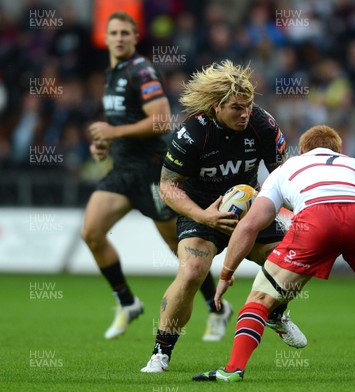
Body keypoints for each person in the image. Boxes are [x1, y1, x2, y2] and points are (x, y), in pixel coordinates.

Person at [193, 124, 355, 382]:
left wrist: (226, 274)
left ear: (303, 150)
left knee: (260, 297)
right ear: (338, 151)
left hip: (314, 222)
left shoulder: (287, 168)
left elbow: (250, 225)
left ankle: (233, 369)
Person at [140, 60, 307, 373]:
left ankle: (276, 311)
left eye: (248, 106)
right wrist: (203, 216)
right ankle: (161, 353)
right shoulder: (191, 134)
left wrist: (294, 210)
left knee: (293, 260)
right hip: (202, 211)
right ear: (216, 107)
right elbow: (168, 187)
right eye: (236, 108)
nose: (244, 114)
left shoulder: (263, 125)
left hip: (250, 212)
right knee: (192, 272)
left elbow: (283, 176)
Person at [81, 11, 227, 341]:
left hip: (152, 170)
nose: (118, 38)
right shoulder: (112, 73)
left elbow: (161, 122)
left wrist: (114, 132)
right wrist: (104, 145)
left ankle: (218, 309)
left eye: (125, 33)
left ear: (135, 38)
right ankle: (127, 301)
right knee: (91, 231)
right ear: (106, 37)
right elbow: (121, 123)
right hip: (122, 172)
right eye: (113, 32)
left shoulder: (141, 70)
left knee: (180, 247)